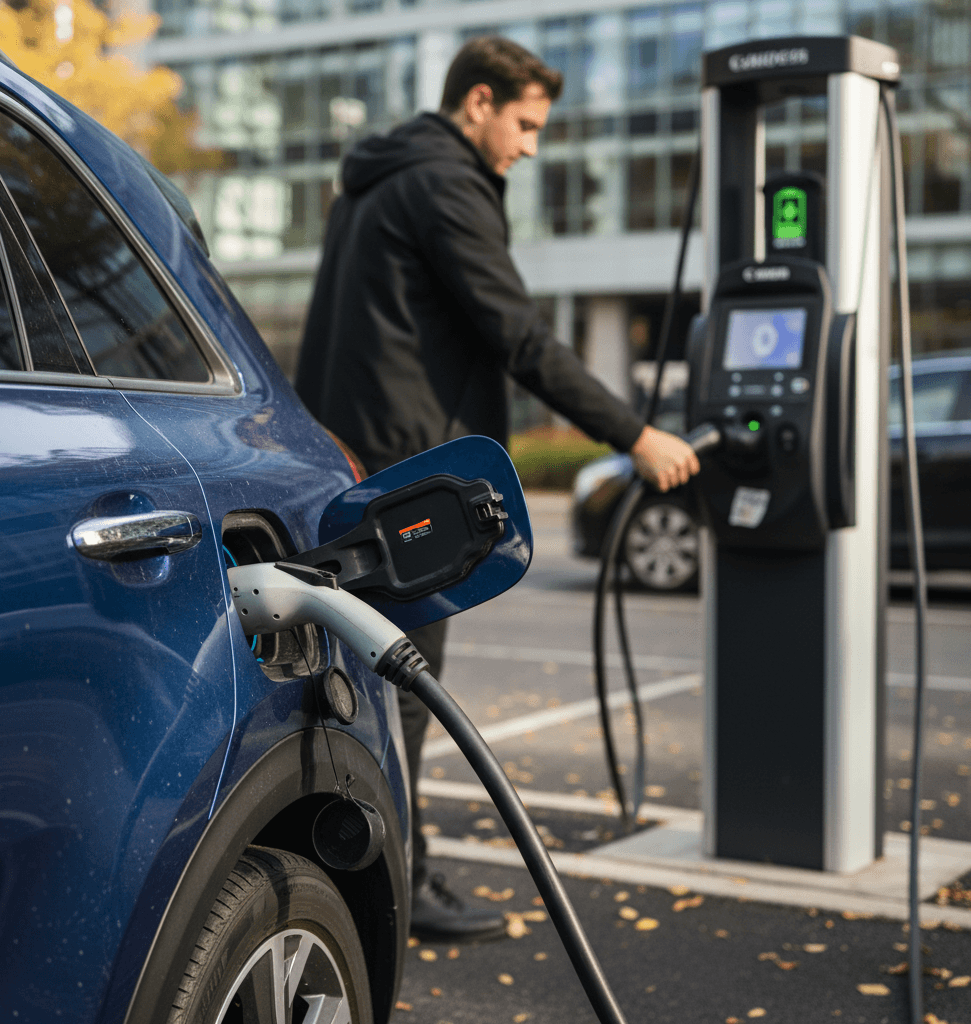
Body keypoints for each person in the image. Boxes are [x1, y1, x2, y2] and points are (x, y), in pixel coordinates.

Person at [294, 35, 700, 942]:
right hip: (411, 472)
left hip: (351, 457)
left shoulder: (375, 178)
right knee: (401, 686)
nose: (530, 145)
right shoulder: (443, 183)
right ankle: (393, 891)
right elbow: (519, 336)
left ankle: (374, 873)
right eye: (524, 123)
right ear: (478, 101)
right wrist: (634, 433)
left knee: (354, 680)